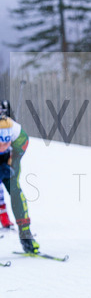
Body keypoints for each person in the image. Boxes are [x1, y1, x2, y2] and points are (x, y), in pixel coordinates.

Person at [0, 99, 40, 253]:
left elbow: (23, 142)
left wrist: (13, 160)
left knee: (15, 190)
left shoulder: (11, 126)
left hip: (8, 160)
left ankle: (26, 236)